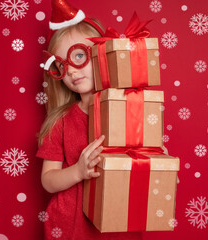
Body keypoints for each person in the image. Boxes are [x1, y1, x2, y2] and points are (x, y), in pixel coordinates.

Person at [36, 0, 143, 239]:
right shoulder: (60, 121)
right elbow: (48, 180)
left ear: (102, 54)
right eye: (62, 65)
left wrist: (155, 163)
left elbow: (142, 155)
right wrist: (78, 171)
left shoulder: (131, 109)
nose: (72, 71)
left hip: (117, 220)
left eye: (79, 56)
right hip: (72, 227)